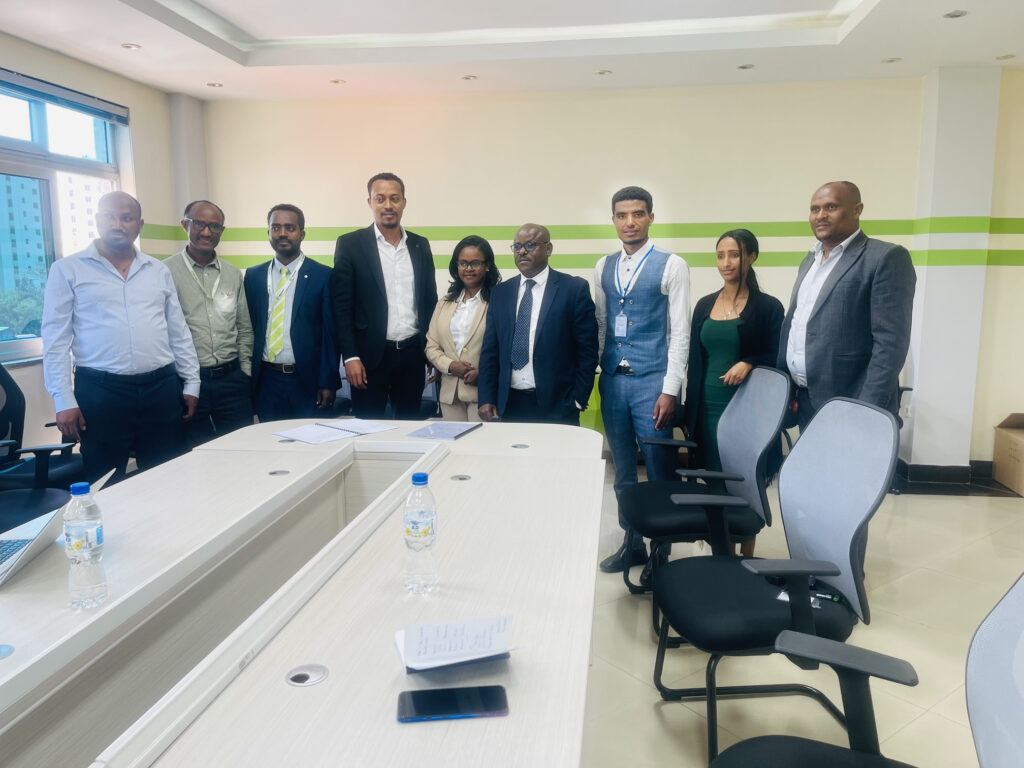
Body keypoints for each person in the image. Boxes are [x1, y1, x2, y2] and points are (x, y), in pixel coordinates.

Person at [41, 191, 200, 483]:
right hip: (101, 392)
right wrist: (63, 399)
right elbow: (55, 341)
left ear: (139, 225)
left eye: (126, 218)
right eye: (109, 217)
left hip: (161, 389)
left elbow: (178, 331)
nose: (117, 224)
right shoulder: (67, 270)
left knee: (168, 476)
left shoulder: (158, 270)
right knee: (105, 481)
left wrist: (192, 382)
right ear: (97, 220)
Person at [596, 186, 692, 575]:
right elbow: (602, 323)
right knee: (622, 470)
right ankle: (632, 542)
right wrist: (599, 370)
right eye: (622, 215)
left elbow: (680, 333)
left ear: (651, 217)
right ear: (613, 220)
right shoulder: (603, 266)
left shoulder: (673, 265)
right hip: (613, 382)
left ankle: (660, 551)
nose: (630, 222)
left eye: (638, 214)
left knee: (657, 470)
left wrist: (671, 390)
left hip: (653, 383)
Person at [779, 181, 916, 430]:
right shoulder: (810, 261)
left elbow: (890, 344)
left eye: (831, 207)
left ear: (857, 210)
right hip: (807, 401)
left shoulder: (884, 258)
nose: (820, 215)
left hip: (853, 404)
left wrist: (865, 409)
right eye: (814, 209)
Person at [684, 230, 784, 558]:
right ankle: (722, 556)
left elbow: (779, 356)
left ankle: (747, 557)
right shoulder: (704, 305)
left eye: (734, 254)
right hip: (707, 408)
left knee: (745, 481)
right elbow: (694, 359)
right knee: (715, 480)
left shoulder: (768, 307)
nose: (726, 262)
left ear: (751, 257)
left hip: (747, 410)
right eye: (720, 255)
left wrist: (750, 362)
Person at [330, 173, 438, 419]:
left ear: (404, 202)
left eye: (394, 198)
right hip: (368, 359)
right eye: (380, 199)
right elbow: (342, 307)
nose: (388, 205)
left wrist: (433, 352)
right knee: (368, 429)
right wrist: (350, 356)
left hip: (413, 354)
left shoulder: (420, 245)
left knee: (410, 426)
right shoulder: (350, 244)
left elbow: (429, 302)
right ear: (370, 202)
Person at [477, 223, 598, 425]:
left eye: (530, 245)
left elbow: (588, 350)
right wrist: (487, 397)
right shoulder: (501, 293)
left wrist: (578, 399)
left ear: (548, 249)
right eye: (517, 246)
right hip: (510, 403)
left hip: (559, 405)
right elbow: (491, 350)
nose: (522, 251)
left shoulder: (573, 289)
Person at [166, 200, 254, 446]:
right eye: (199, 224)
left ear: (221, 231)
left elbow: (244, 327)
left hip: (231, 379)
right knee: (195, 452)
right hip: (188, 381)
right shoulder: (164, 272)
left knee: (242, 448)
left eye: (214, 226)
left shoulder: (232, 273)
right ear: (185, 225)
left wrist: (245, 373)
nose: (206, 232)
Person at [244, 204, 339, 421]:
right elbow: (248, 327)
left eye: (290, 227)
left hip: (307, 380)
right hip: (266, 380)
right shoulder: (254, 276)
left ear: (302, 234)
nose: (282, 233)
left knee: (309, 440)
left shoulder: (323, 275)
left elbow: (330, 335)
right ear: (268, 232)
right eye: (275, 228)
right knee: (270, 438)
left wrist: (328, 381)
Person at [425, 236, 501, 421]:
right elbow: (431, 346)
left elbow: (506, 348)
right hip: (450, 396)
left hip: (484, 396)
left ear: (487, 265)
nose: (468, 268)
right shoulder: (444, 303)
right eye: (463, 263)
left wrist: (484, 374)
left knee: (482, 441)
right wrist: (450, 366)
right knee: (454, 441)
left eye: (475, 263)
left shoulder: (500, 301)